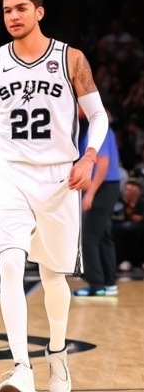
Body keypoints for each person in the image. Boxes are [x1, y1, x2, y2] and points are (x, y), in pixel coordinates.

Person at [0, 0, 109, 392]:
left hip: (61, 176)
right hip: (11, 172)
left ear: (39, 12)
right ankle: (21, 368)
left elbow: (98, 117)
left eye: (21, 8)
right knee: (10, 263)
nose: (13, 16)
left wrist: (88, 156)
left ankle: (57, 355)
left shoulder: (70, 58)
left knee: (53, 275)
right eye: (7, 10)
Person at [74, 111, 122, 297]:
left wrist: (90, 194)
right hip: (107, 186)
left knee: (89, 237)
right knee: (103, 236)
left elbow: (103, 164)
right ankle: (109, 282)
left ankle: (96, 284)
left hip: (102, 187)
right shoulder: (101, 130)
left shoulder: (99, 131)